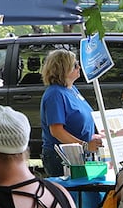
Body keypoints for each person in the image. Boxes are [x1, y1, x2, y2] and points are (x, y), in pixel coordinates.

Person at [40, 47, 104, 179]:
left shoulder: (71, 89)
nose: (79, 67)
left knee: (88, 191)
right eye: (75, 65)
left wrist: (93, 136)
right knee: (74, 195)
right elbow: (57, 131)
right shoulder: (55, 94)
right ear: (63, 68)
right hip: (63, 158)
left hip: (81, 154)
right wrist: (85, 145)